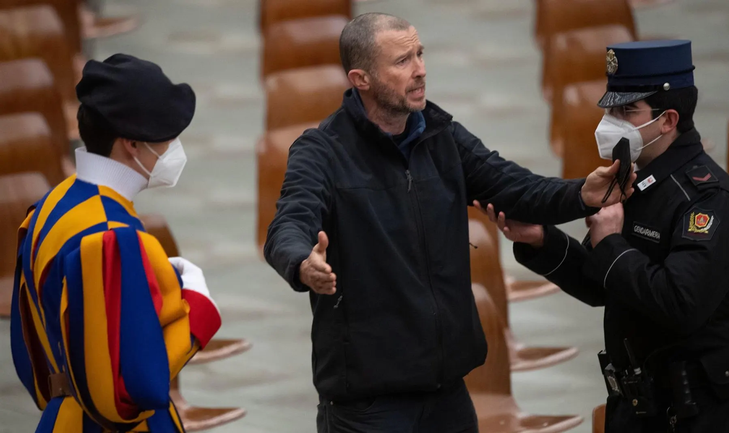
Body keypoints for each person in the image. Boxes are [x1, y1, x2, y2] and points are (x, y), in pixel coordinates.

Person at [264, 12, 633, 433]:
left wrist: (581, 194)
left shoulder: (440, 135)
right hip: (368, 409)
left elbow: (513, 187)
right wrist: (301, 263)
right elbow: (288, 224)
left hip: (448, 397)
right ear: (360, 78)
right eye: (402, 61)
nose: (420, 69)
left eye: (420, 54)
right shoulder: (321, 152)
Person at [481, 40, 729, 433]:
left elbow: (681, 304)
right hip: (638, 408)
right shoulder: (634, 179)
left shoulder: (707, 200)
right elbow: (602, 284)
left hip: (701, 414)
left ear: (668, 120)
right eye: (610, 109)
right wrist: (542, 241)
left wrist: (612, 244)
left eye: (626, 111)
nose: (609, 122)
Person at [10, 54, 222, 433]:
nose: (174, 146)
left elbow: (29, 352)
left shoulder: (48, 206)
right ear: (132, 145)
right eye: (167, 136)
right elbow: (131, 391)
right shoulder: (115, 236)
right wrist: (196, 308)